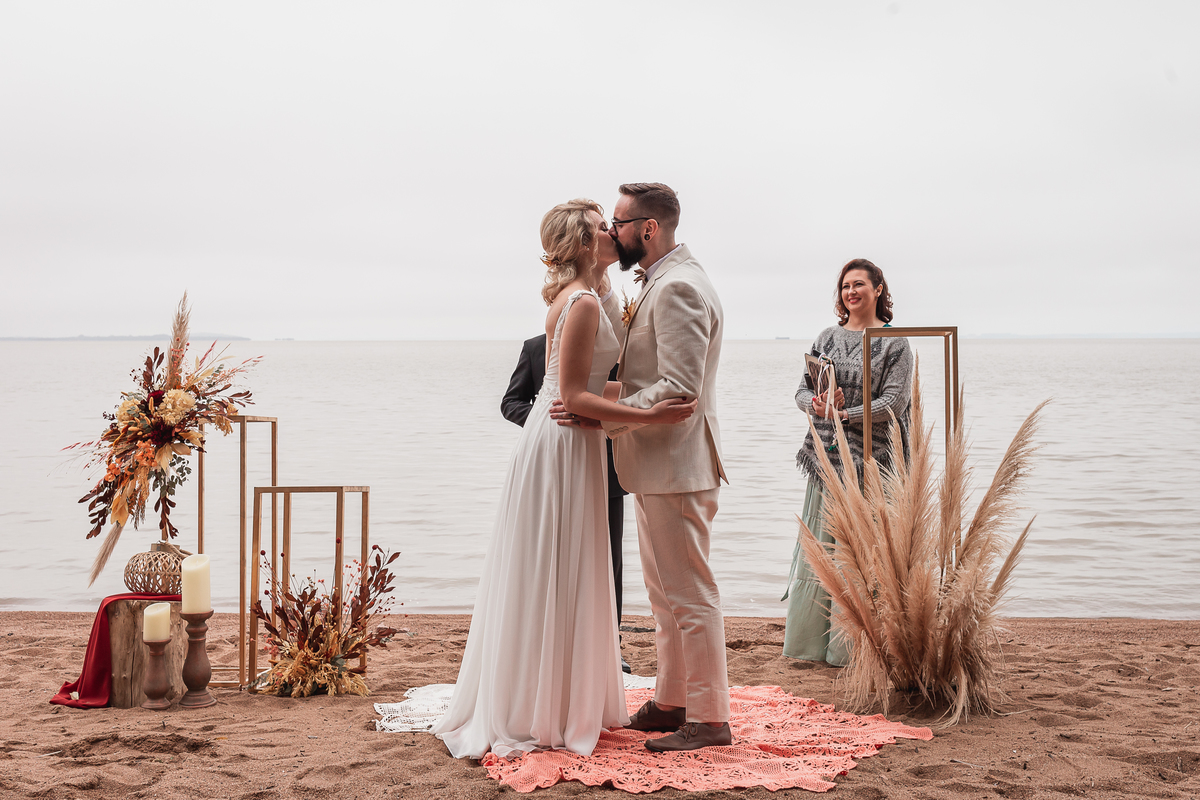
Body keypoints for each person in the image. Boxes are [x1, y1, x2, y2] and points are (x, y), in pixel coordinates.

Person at [432, 199, 696, 760]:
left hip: (574, 440)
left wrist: (633, 401)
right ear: (582, 242)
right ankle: (543, 704)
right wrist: (653, 415)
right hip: (562, 440)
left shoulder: (593, 295)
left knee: (567, 562)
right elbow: (573, 396)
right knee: (554, 561)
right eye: (603, 228)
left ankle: (559, 694)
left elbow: (596, 383)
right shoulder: (579, 303)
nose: (613, 233)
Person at [556, 182, 731, 752]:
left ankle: (710, 719)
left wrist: (599, 415)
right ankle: (672, 701)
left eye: (620, 223)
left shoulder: (678, 287)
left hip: (677, 465)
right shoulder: (658, 280)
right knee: (664, 596)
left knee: (691, 595)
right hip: (656, 465)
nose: (613, 231)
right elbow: (643, 376)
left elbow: (678, 389)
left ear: (648, 229)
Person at [782, 258, 914, 665]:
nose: (851, 292)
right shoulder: (827, 337)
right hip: (826, 458)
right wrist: (818, 404)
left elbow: (894, 403)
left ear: (878, 289)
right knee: (820, 555)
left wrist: (845, 414)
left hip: (873, 465)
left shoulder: (895, 343)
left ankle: (850, 653)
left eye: (859, 284)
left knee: (859, 558)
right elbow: (801, 393)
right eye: (845, 286)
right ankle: (808, 647)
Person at [500, 334, 632, 673]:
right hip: (553, 469)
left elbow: (626, 397)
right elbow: (511, 402)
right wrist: (549, 420)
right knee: (549, 555)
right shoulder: (535, 348)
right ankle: (548, 643)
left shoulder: (611, 346)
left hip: (606, 469)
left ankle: (611, 645)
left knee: (609, 560)